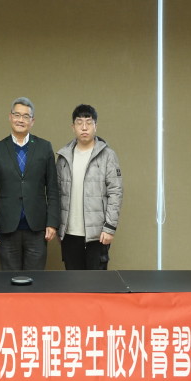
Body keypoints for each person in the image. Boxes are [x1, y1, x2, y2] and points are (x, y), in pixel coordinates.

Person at [0, 97, 60, 270]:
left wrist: (52, 222)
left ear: (32, 121)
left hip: (37, 228)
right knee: (10, 280)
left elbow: (53, 190)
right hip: (7, 228)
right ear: (10, 117)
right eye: (17, 115)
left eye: (26, 116)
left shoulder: (44, 147)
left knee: (35, 280)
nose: (21, 120)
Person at [56, 104, 123, 270]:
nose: (84, 127)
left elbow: (115, 192)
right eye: (79, 123)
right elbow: (56, 193)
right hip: (69, 233)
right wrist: (58, 227)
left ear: (95, 126)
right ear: (73, 127)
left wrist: (109, 227)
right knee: (72, 281)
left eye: (89, 122)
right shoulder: (64, 157)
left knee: (96, 282)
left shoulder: (107, 155)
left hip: (98, 234)